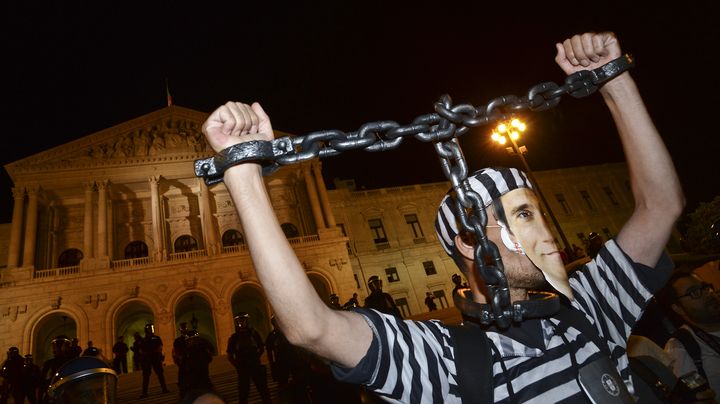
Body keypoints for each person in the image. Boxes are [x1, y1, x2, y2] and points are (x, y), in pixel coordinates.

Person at [200, 31, 684, 402]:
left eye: (538, 214)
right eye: (521, 216)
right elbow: (312, 327)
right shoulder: (444, 362)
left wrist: (613, 78)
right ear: (470, 242)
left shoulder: (591, 307)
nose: (547, 233)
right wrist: (241, 171)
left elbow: (660, 206)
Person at [661, 267, 720, 396]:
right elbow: (693, 397)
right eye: (693, 292)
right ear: (678, 308)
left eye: (705, 287)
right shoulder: (680, 346)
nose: (707, 293)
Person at [226, 313, 271, 404]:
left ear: (247, 321)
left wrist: (255, 358)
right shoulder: (234, 338)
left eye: (243, 320)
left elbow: (261, 348)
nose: (241, 323)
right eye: (239, 321)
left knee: (263, 391)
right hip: (243, 368)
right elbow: (230, 355)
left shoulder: (254, 334)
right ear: (236, 323)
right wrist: (238, 365)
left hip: (255, 366)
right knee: (243, 393)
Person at [180, 329, 215, 398]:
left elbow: (210, 352)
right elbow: (182, 368)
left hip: (201, 376)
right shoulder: (186, 351)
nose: (190, 342)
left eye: (192, 340)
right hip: (191, 379)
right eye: (189, 341)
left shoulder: (202, 347)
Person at [139, 323, 169, 398]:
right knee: (146, 376)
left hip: (155, 357)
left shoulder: (156, 338)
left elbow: (160, 346)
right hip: (147, 359)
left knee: (160, 374)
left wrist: (159, 353)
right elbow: (141, 350)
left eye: (151, 328)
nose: (151, 330)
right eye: (149, 328)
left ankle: (164, 388)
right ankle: (144, 392)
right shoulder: (143, 340)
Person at [173, 322, 190, 395]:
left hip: (191, 359)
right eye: (182, 328)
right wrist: (178, 359)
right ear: (180, 330)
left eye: (185, 327)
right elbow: (176, 351)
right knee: (182, 376)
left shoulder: (191, 337)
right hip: (183, 360)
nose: (184, 329)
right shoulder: (177, 340)